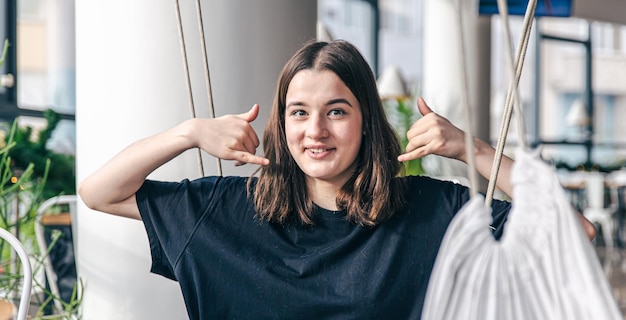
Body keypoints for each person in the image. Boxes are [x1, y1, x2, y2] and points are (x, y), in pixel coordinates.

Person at [78, 39, 594, 319]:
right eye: (298, 113)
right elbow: (99, 192)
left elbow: (574, 231)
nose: (316, 131)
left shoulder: (429, 209)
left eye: (337, 111)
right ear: (281, 125)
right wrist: (188, 133)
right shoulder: (228, 209)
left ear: (366, 119)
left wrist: (470, 147)